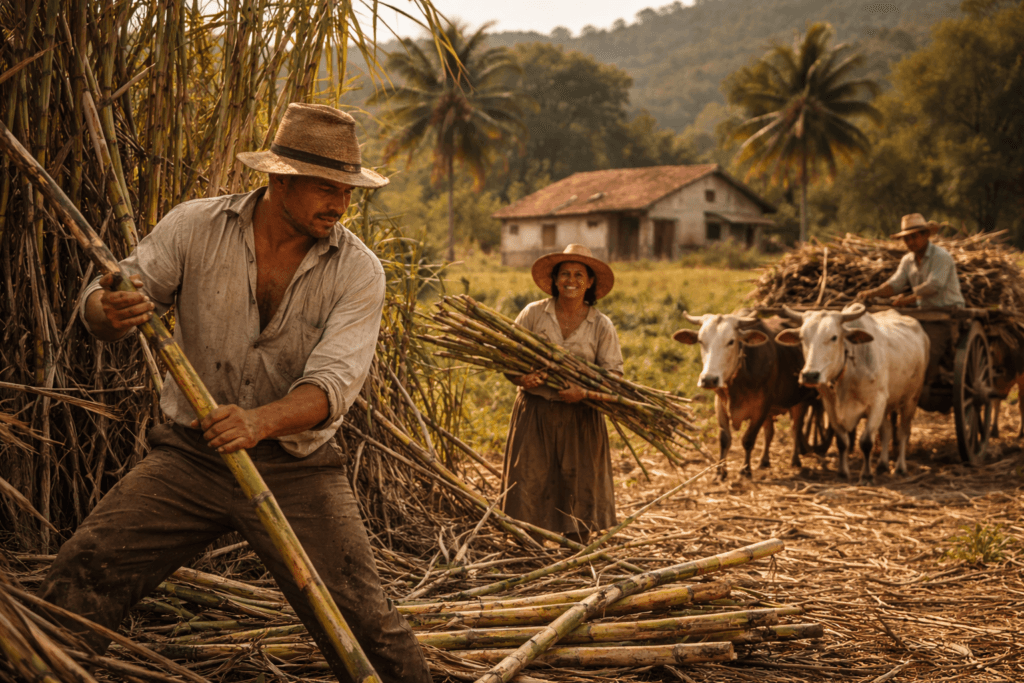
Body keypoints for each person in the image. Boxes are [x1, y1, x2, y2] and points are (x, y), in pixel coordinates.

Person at [37, 103, 432, 683]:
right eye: (326, 189)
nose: (340, 206)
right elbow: (107, 300)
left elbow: (332, 387)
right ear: (278, 179)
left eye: (348, 192)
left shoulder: (359, 271)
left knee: (368, 627)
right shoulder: (195, 226)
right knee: (82, 575)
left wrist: (258, 422)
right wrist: (110, 309)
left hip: (296, 468)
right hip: (190, 458)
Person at [502, 244, 623, 545]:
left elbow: (614, 377)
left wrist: (583, 392)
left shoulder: (601, 325)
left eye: (579, 275)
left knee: (578, 482)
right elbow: (507, 358)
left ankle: (573, 550)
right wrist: (523, 377)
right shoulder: (533, 314)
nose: (571, 280)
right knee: (530, 478)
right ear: (554, 280)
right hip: (536, 411)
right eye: (565, 274)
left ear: (590, 282)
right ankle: (527, 548)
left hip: (581, 416)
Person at [857, 212, 965, 401]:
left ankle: (923, 384)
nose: (910, 242)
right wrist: (872, 293)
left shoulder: (941, 256)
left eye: (914, 237)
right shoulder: (907, 260)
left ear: (926, 235)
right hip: (921, 313)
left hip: (945, 314)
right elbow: (895, 284)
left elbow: (935, 285)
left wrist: (908, 299)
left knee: (930, 350)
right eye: (906, 238)